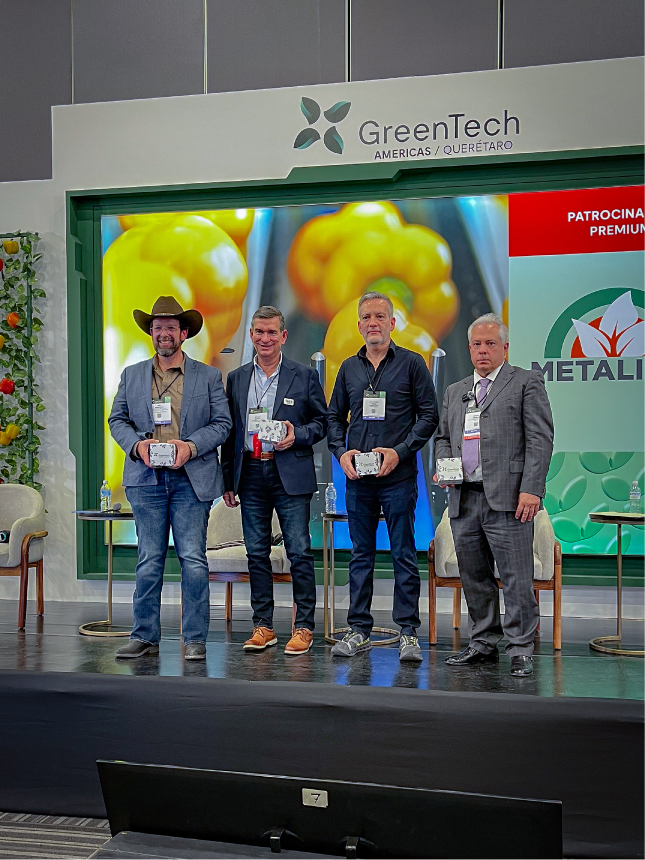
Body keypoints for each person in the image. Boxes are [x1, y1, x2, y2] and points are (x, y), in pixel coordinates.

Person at [109, 296, 232, 661]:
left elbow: (223, 424)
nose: (163, 333)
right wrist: (137, 447)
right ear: (151, 332)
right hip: (145, 480)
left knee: (193, 558)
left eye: (170, 328)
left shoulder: (208, 376)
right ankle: (144, 636)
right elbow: (117, 420)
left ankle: (194, 638)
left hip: (190, 481)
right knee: (149, 558)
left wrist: (190, 447)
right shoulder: (132, 375)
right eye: (157, 327)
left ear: (183, 333)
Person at [434, 313, 554, 677]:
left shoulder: (526, 382)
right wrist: (444, 467)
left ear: (505, 347)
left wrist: (531, 489)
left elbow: (540, 439)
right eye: (476, 344)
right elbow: (443, 438)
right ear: (469, 348)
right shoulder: (455, 391)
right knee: (474, 577)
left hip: (510, 499)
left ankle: (520, 648)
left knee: (516, 577)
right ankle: (483, 642)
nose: (483, 350)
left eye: (490, 343)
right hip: (464, 498)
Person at [327, 292, 439, 662]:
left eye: (379, 316)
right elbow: (333, 417)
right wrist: (341, 452)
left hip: (398, 477)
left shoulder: (412, 364)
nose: (372, 323)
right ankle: (358, 630)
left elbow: (429, 415)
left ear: (392, 323)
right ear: (358, 325)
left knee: (403, 553)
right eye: (366, 317)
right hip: (358, 479)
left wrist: (400, 451)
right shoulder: (348, 368)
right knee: (360, 555)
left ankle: (408, 633)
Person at [221, 306, 327, 656]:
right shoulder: (236, 378)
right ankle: (263, 626)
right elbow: (231, 433)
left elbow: (322, 423)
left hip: (289, 474)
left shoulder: (304, 375)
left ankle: (303, 627)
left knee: (299, 551)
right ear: (251, 335)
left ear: (283, 336)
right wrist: (228, 480)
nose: (265, 339)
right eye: (259, 332)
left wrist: (297, 435)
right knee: (256, 553)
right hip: (250, 473)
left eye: (271, 333)